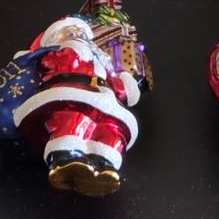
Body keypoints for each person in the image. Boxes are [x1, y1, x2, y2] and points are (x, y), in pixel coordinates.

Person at [11, 15, 142, 196]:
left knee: (111, 129)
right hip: (71, 92)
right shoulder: (54, 54)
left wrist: (126, 85)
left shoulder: (101, 63)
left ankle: (104, 163)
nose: (79, 35)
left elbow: (119, 88)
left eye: (83, 33)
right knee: (74, 120)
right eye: (71, 32)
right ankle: (64, 159)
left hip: (105, 99)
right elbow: (39, 65)